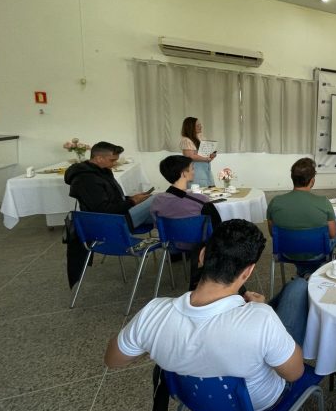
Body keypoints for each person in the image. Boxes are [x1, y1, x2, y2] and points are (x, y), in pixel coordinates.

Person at [104, 220, 310, 411]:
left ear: (202, 256)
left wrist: (155, 342)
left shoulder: (153, 313)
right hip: (261, 405)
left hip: (194, 400)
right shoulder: (262, 319)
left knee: (289, 296)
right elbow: (294, 374)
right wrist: (262, 311)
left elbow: (112, 360)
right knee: (298, 288)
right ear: (248, 272)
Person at [64, 141, 153, 288]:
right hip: (111, 223)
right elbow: (104, 210)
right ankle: (178, 244)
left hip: (115, 217)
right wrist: (132, 202)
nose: (114, 163)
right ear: (99, 158)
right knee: (158, 201)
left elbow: (113, 199)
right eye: (112, 160)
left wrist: (131, 199)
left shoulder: (102, 171)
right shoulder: (86, 179)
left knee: (159, 211)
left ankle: (178, 241)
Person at [150, 155, 222, 289]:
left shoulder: (157, 201)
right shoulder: (201, 200)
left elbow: (157, 224)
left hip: (171, 244)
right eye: (192, 168)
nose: (194, 171)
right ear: (184, 173)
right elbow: (217, 227)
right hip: (200, 247)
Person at [266, 158, 336, 276]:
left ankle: (304, 272)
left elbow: (273, 233)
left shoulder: (275, 202)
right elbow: (333, 234)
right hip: (318, 253)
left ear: (292, 178)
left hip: (286, 253)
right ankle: (311, 273)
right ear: (312, 180)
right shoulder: (324, 202)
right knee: (333, 240)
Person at [179, 117, 216, 187]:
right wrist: (206, 158)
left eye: (200, 125)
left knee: (211, 191)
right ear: (191, 128)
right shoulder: (186, 140)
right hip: (196, 173)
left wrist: (211, 156)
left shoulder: (201, 138)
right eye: (198, 125)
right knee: (199, 192)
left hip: (206, 171)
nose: (201, 127)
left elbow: (205, 156)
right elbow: (190, 156)